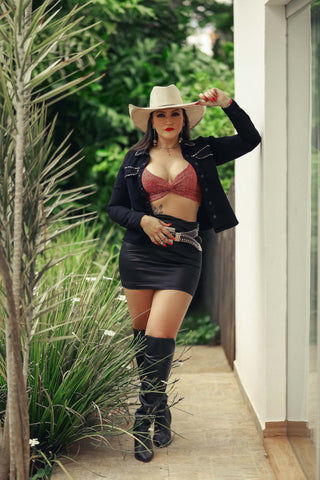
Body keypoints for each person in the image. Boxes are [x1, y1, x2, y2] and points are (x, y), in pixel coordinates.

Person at [107, 84, 261, 463]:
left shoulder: (203, 150)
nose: (169, 120)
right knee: (143, 340)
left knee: (161, 337)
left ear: (184, 119)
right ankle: (161, 409)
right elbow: (114, 208)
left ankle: (142, 421)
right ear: (151, 121)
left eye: (175, 113)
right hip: (139, 253)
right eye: (161, 114)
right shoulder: (134, 158)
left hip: (183, 255)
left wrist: (228, 103)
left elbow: (250, 139)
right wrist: (141, 219)